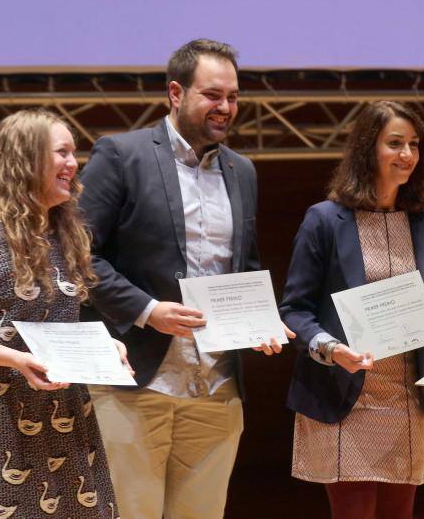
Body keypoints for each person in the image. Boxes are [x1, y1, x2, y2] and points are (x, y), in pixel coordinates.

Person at [79, 39, 289, 519]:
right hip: (137, 381)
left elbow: (244, 266)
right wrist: (148, 310)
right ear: (176, 93)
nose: (226, 108)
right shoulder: (122, 155)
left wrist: (260, 320)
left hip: (216, 385)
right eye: (213, 95)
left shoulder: (242, 171)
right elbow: (79, 256)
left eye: (233, 97)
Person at [0, 109, 127, 518]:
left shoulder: (64, 235)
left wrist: (104, 346)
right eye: (62, 152)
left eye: (73, 153)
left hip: (65, 416)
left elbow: (58, 324)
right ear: (26, 160)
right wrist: (16, 359)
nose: (73, 163)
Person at [281, 101, 424, 519]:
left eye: (414, 144)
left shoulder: (423, 221)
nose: (407, 154)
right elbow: (295, 310)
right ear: (367, 148)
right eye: (395, 143)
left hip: (404, 398)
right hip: (344, 396)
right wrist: (331, 349)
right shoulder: (325, 220)